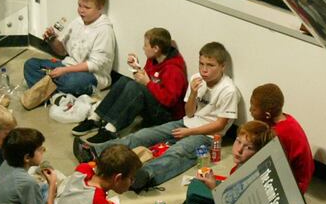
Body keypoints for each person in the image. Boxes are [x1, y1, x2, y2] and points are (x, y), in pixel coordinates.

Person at [78, 42, 237, 192]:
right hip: (185, 122)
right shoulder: (197, 78)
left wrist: (189, 133)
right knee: (144, 135)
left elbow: (220, 125)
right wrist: (194, 93)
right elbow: (189, 113)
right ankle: (97, 151)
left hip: (207, 136)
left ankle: (147, 175)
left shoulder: (228, 90)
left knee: (179, 151)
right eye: (201, 64)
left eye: (210, 65)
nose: (204, 70)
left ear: (222, 67)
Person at [175, 120, 274, 204]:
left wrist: (214, 188)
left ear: (260, 152)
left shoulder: (257, 180)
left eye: (249, 148)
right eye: (238, 142)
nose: (239, 150)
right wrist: (214, 186)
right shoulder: (242, 166)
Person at [72, 27, 187, 143]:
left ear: (156, 48)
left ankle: (111, 129)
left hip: (166, 116)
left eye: (146, 45)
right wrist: (136, 68)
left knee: (134, 88)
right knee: (124, 81)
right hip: (155, 102)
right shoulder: (154, 59)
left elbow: (169, 100)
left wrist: (147, 83)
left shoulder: (173, 70)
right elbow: (149, 79)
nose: (143, 48)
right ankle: (96, 118)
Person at [20, 0, 115, 109]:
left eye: (87, 7)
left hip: (91, 75)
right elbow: (62, 52)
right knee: (31, 64)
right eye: (79, 5)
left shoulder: (104, 31)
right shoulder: (77, 22)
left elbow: (94, 65)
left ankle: (48, 91)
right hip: (67, 66)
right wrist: (52, 39)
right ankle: (56, 96)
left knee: (72, 82)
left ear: (100, 8)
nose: (81, 10)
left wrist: (64, 71)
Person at [248, 83, 313, 192]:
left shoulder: (277, 135)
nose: (250, 110)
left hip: (294, 186)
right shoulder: (287, 119)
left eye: (253, 109)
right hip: (300, 178)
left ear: (267, 115)